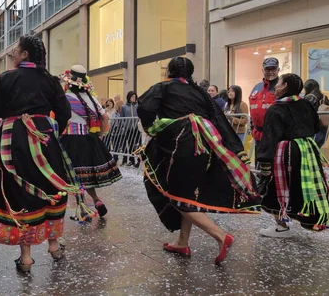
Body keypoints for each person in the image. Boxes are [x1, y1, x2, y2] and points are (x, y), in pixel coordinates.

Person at [0, 35, 92, 273]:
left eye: (15, 51)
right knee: (52, 187)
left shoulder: (7, 78)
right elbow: (64, 112)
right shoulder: (50, 81)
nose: (12, 55)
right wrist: (51, 130)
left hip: (14, 138)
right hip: (44, 137)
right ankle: (54, 246)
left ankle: (26, 257)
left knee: (21, 191)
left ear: (25, 54)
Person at [138, 57, 260, 265]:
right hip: (206, 145)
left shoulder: (164, 87)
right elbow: (220, 120)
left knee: (173, 194)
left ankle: (221, 236)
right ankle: (182, 242)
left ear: (170, 71)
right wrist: (236, 149)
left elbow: (145, 108)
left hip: (182, 143)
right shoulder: (201, 93)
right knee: (186, 194)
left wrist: (155, 128)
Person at [255, 73, 329, 241]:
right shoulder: (306, 104)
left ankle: (281, 226)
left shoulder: (276, 109)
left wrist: (265, 165)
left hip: (286, 152)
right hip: (307, 150)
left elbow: (270, 138)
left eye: (279, 83)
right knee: (311, 189)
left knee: (276, 188)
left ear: (284, 87)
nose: (276, 86)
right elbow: (315, 126)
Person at [59, 65, 122, 218]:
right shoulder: (92, 99)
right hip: (88, 139)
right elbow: (105, 117)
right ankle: (96, 200)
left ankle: (82, 210)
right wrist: (100, 135)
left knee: (73, 176)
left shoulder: (65, 97)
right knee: (85, 176)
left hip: (70, 139)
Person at [249, 57, 280, 143]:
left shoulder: (282, 87)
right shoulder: (256, 88)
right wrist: (252, 129)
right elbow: (252, 110)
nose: (270, 72)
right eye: (267, 69)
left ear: (278, 70)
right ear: (262, 70)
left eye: (273, 69)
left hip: (276, 135)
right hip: (258, 136)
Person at [303, 79, 329, 148]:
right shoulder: (324, 97)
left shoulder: (308, 98)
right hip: (324, 130)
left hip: (313, 131)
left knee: (310, 153)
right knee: (316, 152)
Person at [119, 91, 140, 167]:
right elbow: (122, 118)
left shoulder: (137, 106)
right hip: (128, 129)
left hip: (137, 129)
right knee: (130, 145)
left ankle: (138, 161)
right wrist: (123, 126)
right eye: (132, 97)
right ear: (129, 97)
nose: (134, 98)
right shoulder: (124, 107)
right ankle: (131, 160)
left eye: (135, 96)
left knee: (138, 145)